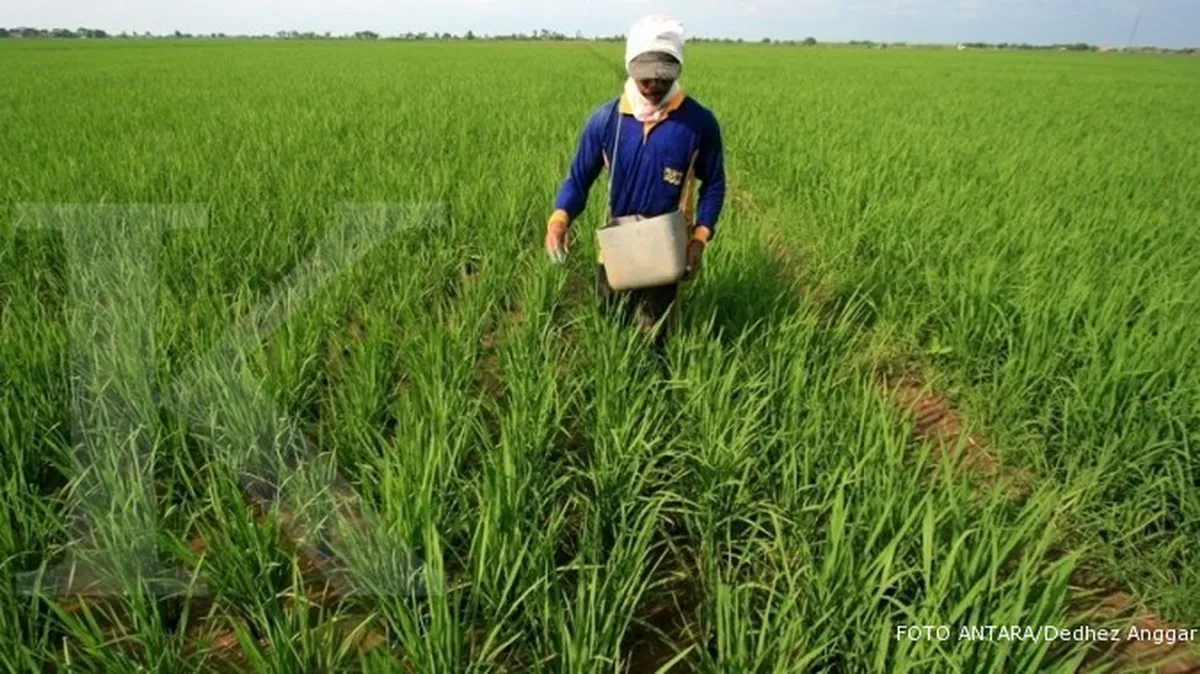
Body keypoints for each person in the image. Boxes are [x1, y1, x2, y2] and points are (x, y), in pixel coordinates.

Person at [544, 14, 726, 352]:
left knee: (654, 340)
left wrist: (700, 238)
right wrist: (560, 219)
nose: (654, 85)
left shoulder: (698, 123)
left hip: (667, 248)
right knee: (610, 329)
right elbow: (579, 179)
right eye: (645, 76)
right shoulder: (606, 121)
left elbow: (714, 184)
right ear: (630, 65)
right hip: (615, 247)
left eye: (663, 75)